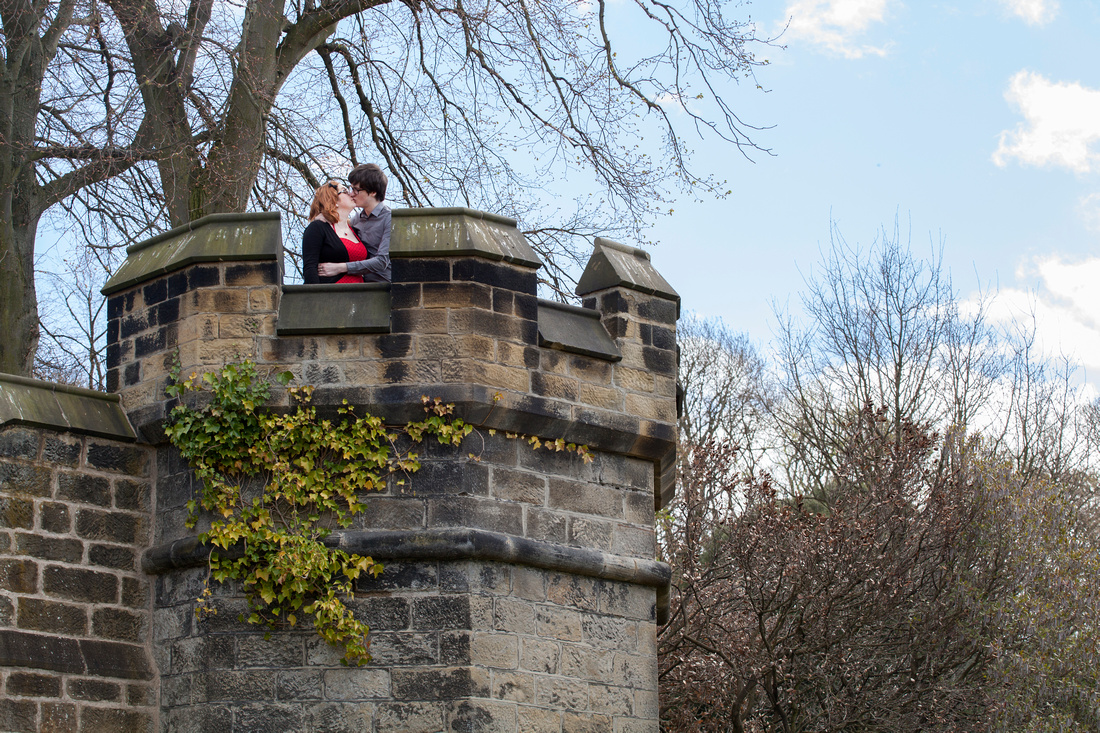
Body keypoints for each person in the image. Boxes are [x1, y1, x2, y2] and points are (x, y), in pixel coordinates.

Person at [317, 163, 391, 283]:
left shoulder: (389, 219)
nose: (351, 194)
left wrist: (340, 268)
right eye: (351, 189)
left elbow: (382, 262)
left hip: (384, 290)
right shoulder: (357, 219)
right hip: (360, 287)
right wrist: (325, 216)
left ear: (373, 192)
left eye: (356, 190)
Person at [302, 181, 368, 284]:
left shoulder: (356, 229)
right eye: (345, 191)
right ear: (333, 200)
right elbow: (310, 269)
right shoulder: (317, 228)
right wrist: (315, 299)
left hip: (361, 295)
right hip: (332, 296)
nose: (351, 194)